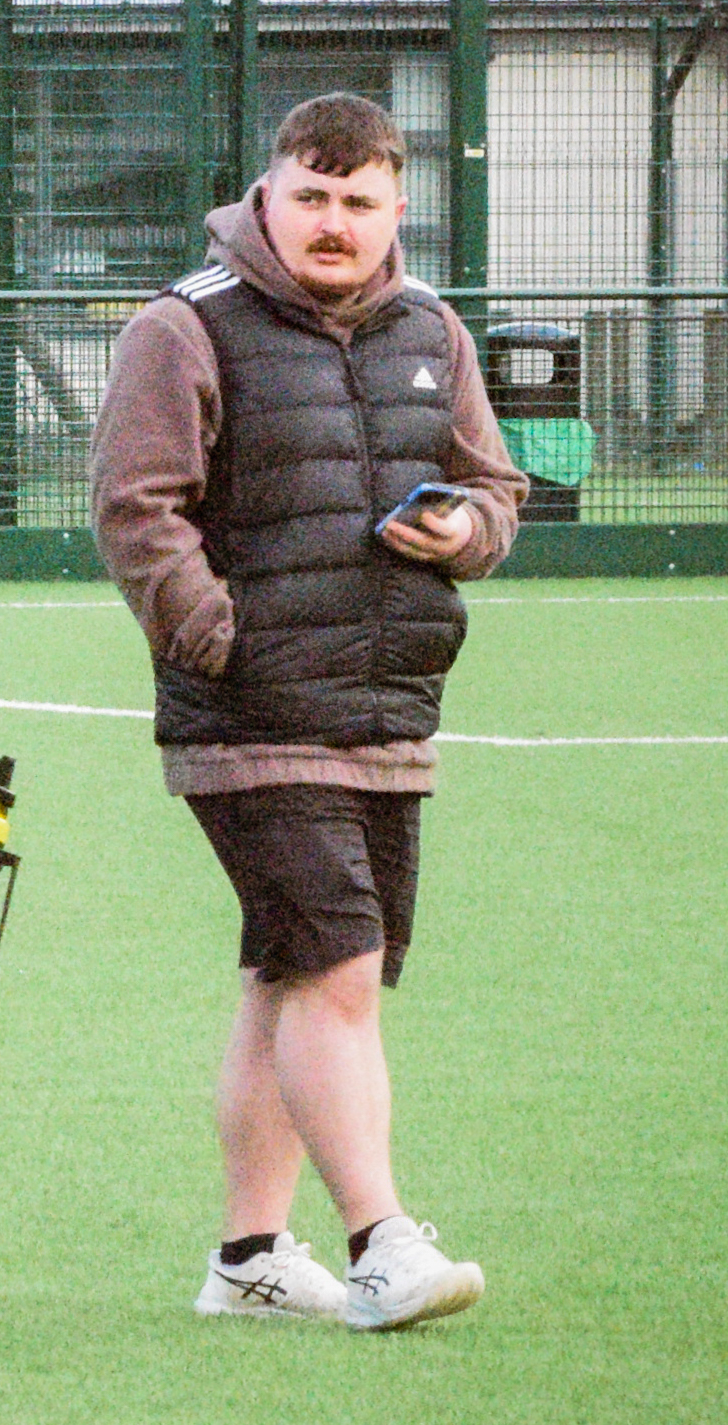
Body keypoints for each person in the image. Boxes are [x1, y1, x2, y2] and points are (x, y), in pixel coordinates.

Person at [92, 92, 523, 1332]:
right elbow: (135, 505)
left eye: (359, 200)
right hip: (253, 713)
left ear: (396, 208)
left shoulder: (431, 327)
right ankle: (380, 1241)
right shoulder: (186, 326)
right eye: (311, 196)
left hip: (386, 706)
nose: (333, 222)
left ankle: (246, 1257)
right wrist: (213, 635)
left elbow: (496, 484)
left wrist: (467, 527)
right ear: (266, 196)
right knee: (335, 963)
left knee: (299, 975)